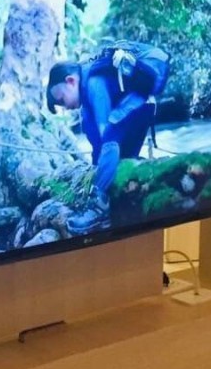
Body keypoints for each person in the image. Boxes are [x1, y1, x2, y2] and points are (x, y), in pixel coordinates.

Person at [46, 41, 169, 233]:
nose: (66, 107)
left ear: (71, 81)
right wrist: (98, 168)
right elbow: (95, 140)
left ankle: (98, 210)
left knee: (111, 137)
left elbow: (107, 139)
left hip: (140, 102)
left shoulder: (93, 84)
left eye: (62, 100)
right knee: (115, 154)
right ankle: (116, 198)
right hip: (132, 107)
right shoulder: (85, 99)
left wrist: (98, 189)